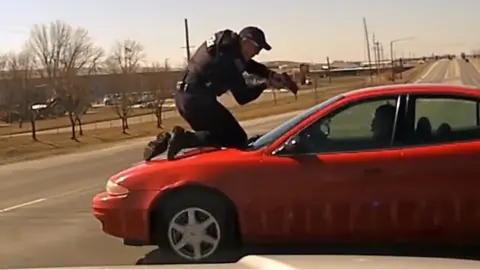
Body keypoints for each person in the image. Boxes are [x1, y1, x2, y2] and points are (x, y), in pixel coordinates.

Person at [145, 26, 297, 161]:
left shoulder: (227, 47)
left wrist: (269, 74)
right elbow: (242, 97)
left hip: (187, 97)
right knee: (236, 138)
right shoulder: (228, 60)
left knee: (215, 137)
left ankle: (168, 140)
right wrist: (267, 84)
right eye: (257, 48)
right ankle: (181, 138)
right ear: (245, 41)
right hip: (198, 101)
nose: (257, 53)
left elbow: (249, 65)